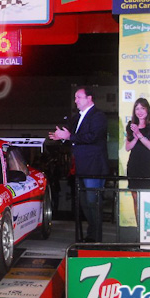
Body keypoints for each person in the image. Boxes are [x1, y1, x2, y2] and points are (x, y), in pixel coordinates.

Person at [48, 86, 109, 242]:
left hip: (94, 167)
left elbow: (92, 137)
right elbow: (72, 136)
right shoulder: (76, 118)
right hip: (81, 166)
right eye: (75, 97)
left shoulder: (98, 116)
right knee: (84, 203)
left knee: (93, 202)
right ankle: (91, 235)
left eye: (79, 97)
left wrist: (69, 137)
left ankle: (96, 237)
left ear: (89, 98)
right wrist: (61, 137)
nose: (75, 101)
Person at [124, 98, 150, 220]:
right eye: (137, 109)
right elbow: (127, 147)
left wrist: (139, 134)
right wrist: (135, 137)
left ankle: (146, 225)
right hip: (134, 164)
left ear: (147, 110)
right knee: (135, 198)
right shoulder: (131, 126)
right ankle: (138, 225)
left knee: (144, 197)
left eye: (142, 108)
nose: (139, 111)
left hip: (146, 164)